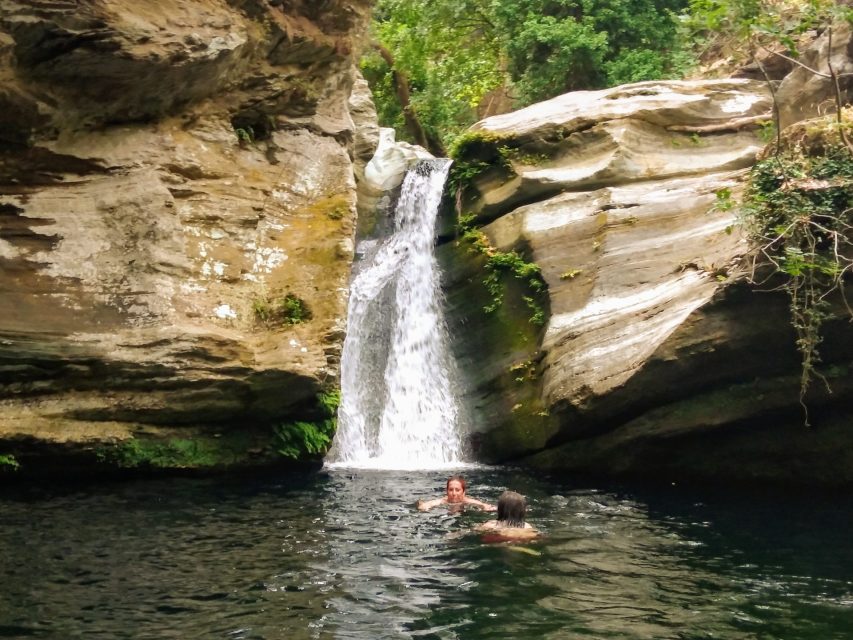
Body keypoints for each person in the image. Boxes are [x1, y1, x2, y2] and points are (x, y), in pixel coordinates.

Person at [417, 475, 496, 512]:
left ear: (463, 492)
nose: (454, 493)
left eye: (457, 490)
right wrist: (424, 506)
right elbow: (426, 505)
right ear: (446, 491)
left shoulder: (467, 501)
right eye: (451, 489)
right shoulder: (443, 501)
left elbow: (483, 505)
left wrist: (486, 507)